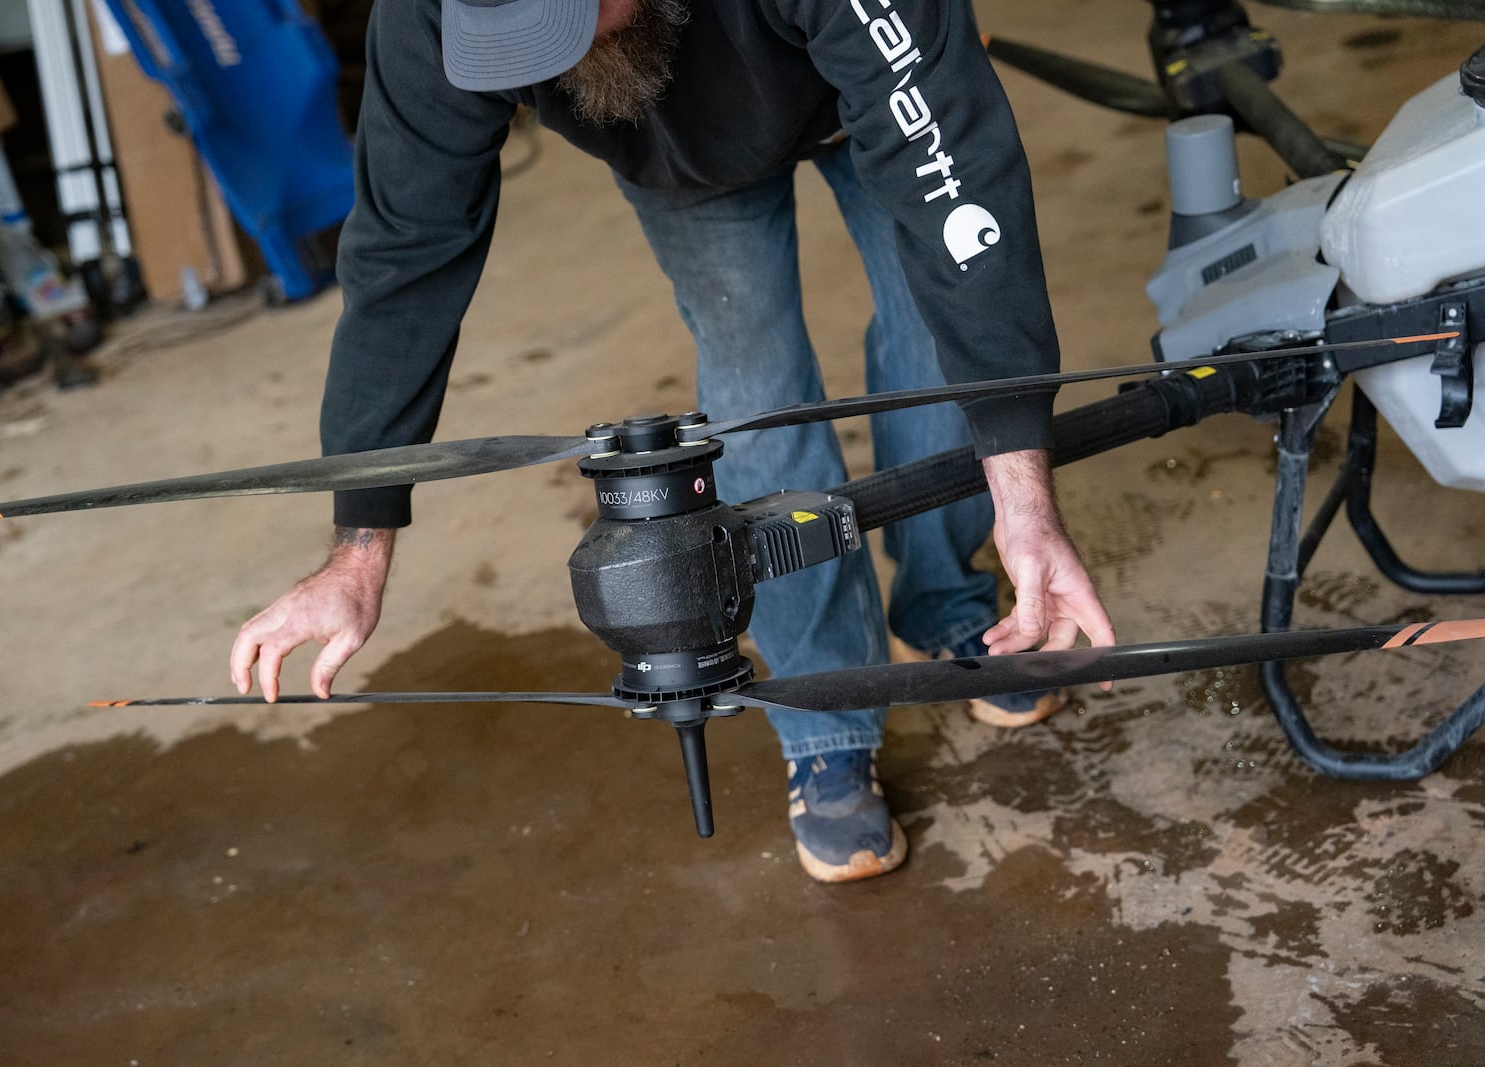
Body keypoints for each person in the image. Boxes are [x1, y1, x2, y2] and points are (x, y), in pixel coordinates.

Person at [230, 0, 1116, 883]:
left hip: (858, 91)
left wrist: (1026, 506)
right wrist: (358, 547)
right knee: (755, 393)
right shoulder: (428, 14)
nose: (554, 54)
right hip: (681, 157)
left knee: (936, 333)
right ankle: (828, 715)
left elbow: (960, 190)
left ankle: (946, 598)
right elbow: (404, 252)